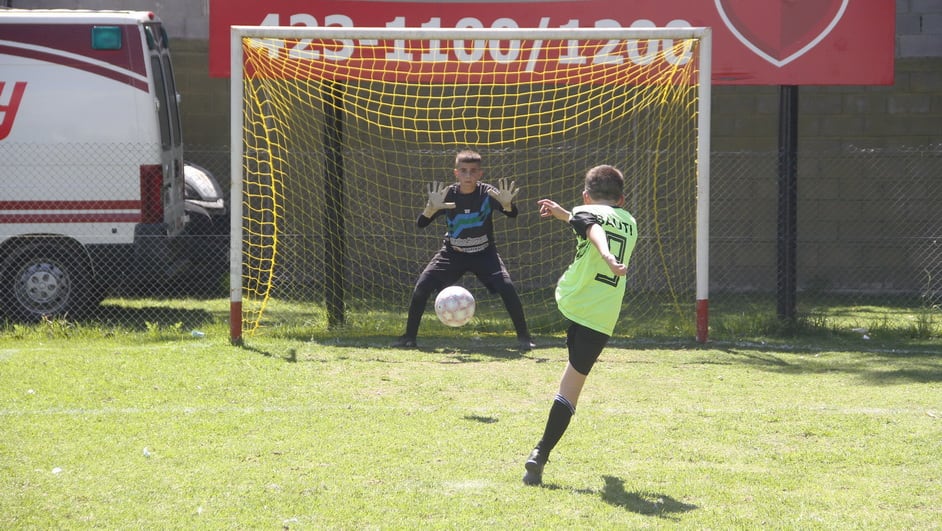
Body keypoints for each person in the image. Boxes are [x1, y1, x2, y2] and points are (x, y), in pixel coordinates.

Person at [522, 164, 637, 486]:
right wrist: (611, 257)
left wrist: (605, 255)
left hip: (571, 299)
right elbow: (594, 225)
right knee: (570, 388)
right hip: (601, 314)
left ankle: (540, 455)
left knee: (568, 381)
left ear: (586, 195)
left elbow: (593, 228)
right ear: (622, 199)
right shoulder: (630, 221)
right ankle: (539, 454)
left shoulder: (584, 210)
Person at [394, 149, 535, 350]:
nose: (468, 175)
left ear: (480, 174)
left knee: (507, 287)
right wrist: (430, 209)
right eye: (464, 170)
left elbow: (513, 214)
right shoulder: (447, 194)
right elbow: (421, 223)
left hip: (484, 254)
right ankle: (409, 337)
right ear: (456, 173)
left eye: (473, 171)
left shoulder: (488, 193)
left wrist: (507, 205)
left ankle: (524, 337)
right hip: (453, 254)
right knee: (421, 287)